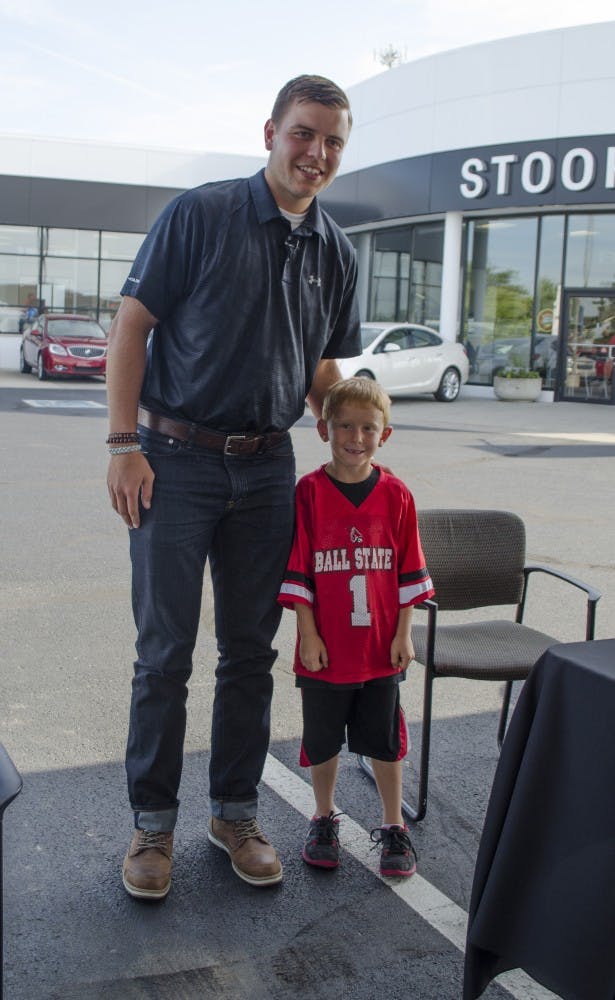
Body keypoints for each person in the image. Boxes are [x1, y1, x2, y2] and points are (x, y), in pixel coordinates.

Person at [105, 75, 362, 899]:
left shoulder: (336, 249)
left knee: (250, 654)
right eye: (303, 134)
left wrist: (344, 436)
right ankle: (152, 829)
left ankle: (233, 813)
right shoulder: (201, 214)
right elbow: (132, 326)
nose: (315, 154)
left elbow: (320, 364)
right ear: (270, 132)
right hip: (172, 460)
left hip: (267, 467)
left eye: (330, 142)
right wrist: (122, 444)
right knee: (163, 656)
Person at [278, 377, 434, 877]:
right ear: (323, 429)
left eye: (368, 427)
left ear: (384, 434)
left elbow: (409, 570)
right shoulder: (308, 493)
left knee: (385, 741)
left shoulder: (396, 495)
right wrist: (308, 632)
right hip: (326, 647)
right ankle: (323, 817)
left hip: (378, 646)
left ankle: (394, 827)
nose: (356, 436)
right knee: (322, 741)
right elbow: (299, 567)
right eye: (344, 425)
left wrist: (403, 632)